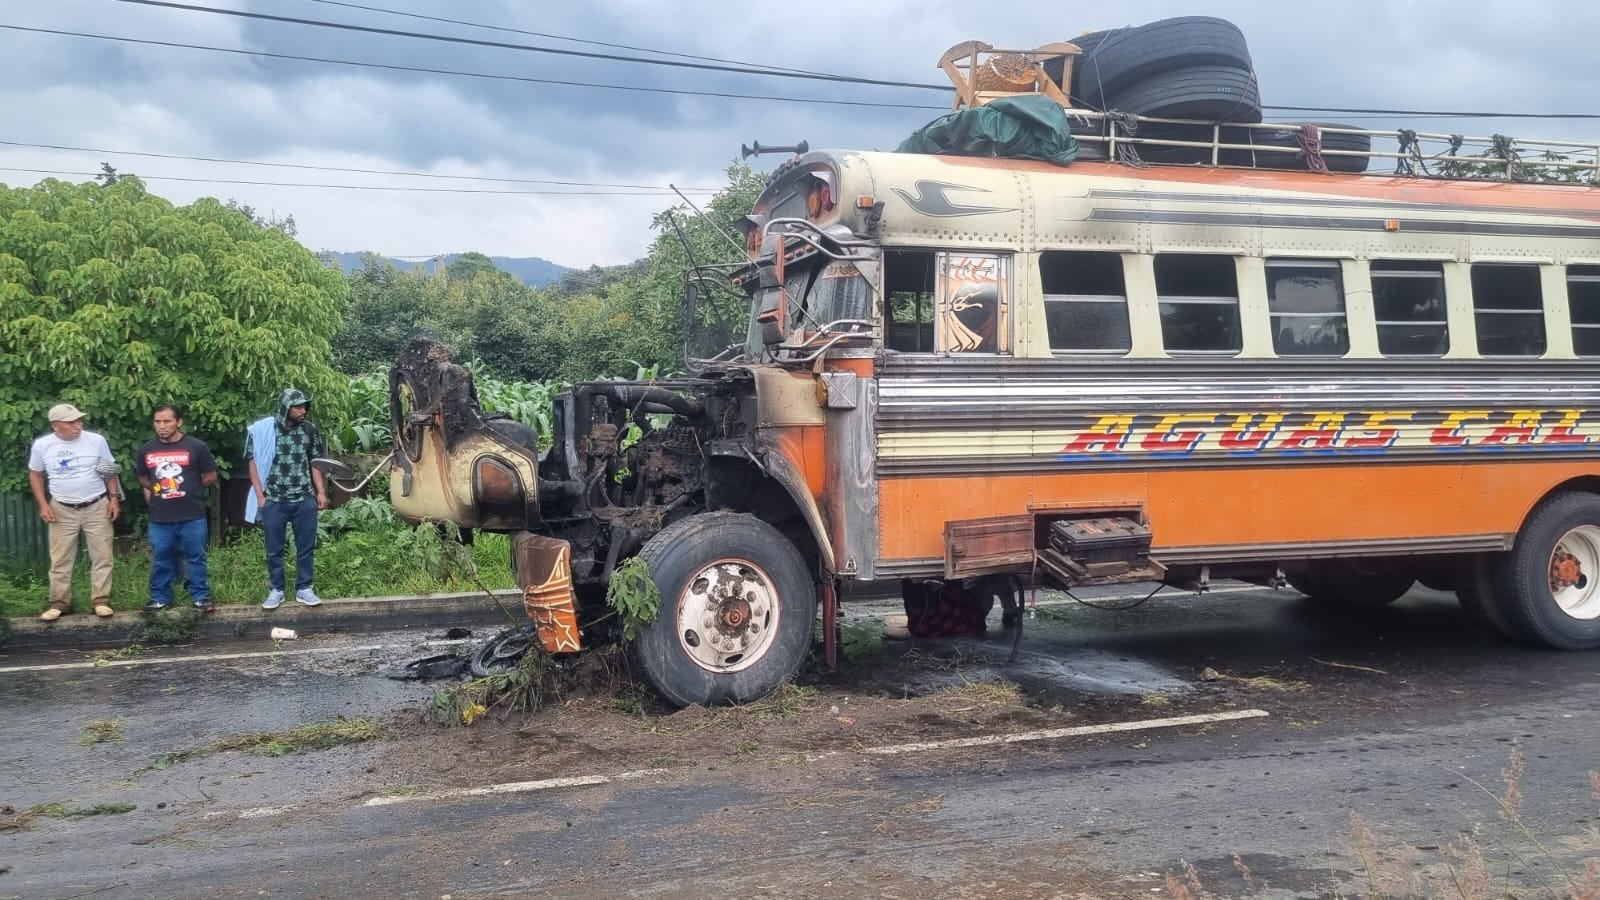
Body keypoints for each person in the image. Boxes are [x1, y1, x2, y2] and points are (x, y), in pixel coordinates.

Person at [27, 403, 122, 621]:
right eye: (71, 422)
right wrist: (43, 504)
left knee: (102, 555)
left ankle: (101, 600)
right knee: (60, 558)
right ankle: (59, 603)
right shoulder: (43, 445)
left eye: (79, 421)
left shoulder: (96, 441)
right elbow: (35, 475)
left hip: (96, 504)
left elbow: (109, 471)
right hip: (61, 507)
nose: (77, 425)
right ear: (56, 425)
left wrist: (114, 499)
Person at [244, 388, 328, 609]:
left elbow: (316, 462)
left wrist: (320, 492)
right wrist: (260, 496)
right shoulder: (264, 431)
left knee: (306, 546)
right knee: (274, 549)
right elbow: (252, 462)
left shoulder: (309, 430)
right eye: (298, 407)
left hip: (304, 497)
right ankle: (276, 590)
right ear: (285, 408)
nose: (303, 411)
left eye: (304, 407)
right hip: (275, 499)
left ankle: (304, 588)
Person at [135, 405, 218, 613]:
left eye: (167, 421)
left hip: (192, 514)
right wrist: (159, 491)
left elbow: (210, 476)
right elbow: (143, 478)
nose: (162, 426)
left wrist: (190, 489)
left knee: (195, 556)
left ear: (178, 422)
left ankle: (200, 597)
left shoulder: (196, 447)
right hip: (160, 516)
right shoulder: (146, 449)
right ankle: (160, 598)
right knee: (162, 556)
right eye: (157, 422)